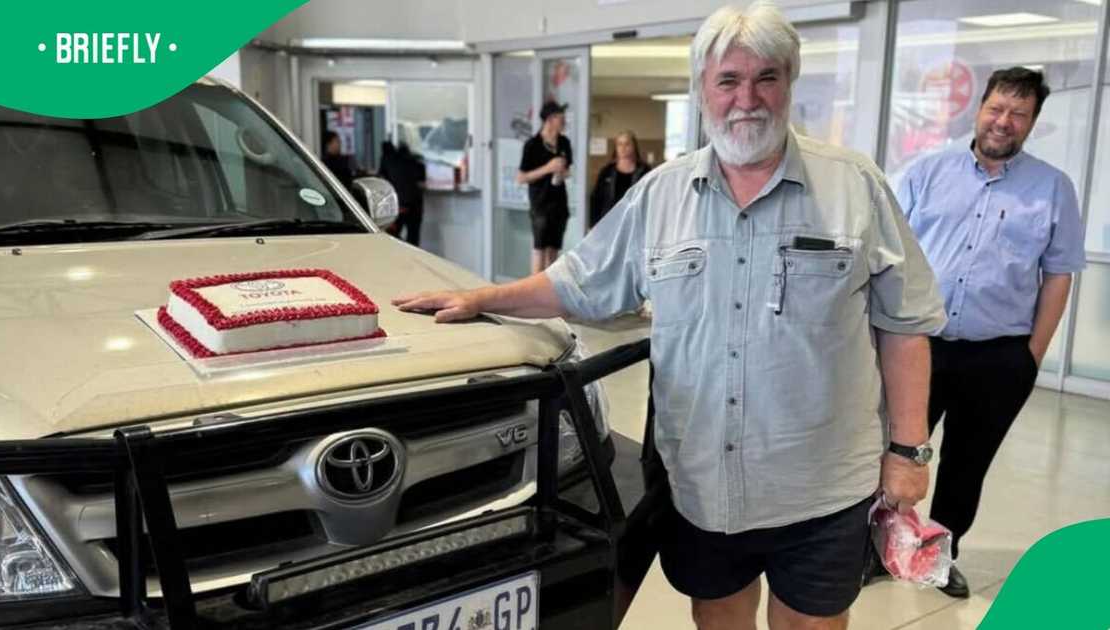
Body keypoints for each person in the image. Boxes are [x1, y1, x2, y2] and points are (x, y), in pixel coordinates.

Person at [393, 3, 947, 628]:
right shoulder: (661, 195)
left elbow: (905, 322)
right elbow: (577, 281)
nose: (748, 99)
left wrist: (908, 452)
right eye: (728, 80)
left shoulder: (854, 186)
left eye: (766, 78)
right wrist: (483, 299)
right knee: (718, 618)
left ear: (789, 83)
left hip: (821, 485)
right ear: (703, 90)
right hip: (704, 483)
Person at [889, 67, 1086, 598]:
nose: (1004, 121)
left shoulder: (1053, 189)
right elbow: (888, 258)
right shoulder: (925, 173)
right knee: (895, 450)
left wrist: (1031, 356)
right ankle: (878, 549)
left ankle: (940, 556)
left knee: (966, 466)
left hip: (999, 357)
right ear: (979, 108)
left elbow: (1059, 274)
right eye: (997, 108)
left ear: (1032, 122)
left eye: (1018, 114)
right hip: (918, 346)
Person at [518, 100, 573, 274]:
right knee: (539, 249)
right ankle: (533, 292)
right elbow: (521, 177)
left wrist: (563, 173)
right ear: (549, 119)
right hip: (540, 204)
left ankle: (550, 291)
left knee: (554, 250)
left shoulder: (564, 142)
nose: (564, 121)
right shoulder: (532, 145)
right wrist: (547, 168)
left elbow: (568, 170)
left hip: (559, 201)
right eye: (560, 118)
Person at [590, 130, 651, 229]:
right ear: (616, 148)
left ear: (634, 147)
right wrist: (593, 225)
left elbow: (650, 199)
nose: (623, 148)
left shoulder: (644, 171)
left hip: (635, 223)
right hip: (609, 223)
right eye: (620, 144)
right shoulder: (607, 171)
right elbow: (596, 199)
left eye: (627, 144)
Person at [379, 140, 427, 246]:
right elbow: (422, 184)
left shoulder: (387, 160)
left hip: (397, 204)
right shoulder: (417, 162)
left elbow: (382, 179)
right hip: (415, 204)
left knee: (393, 237)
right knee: (413, 237)